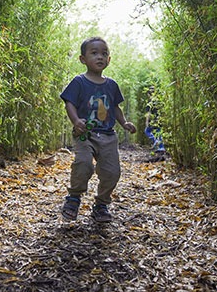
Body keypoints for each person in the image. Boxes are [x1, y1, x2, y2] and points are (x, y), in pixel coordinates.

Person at [60, 37, 136, 222]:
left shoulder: (111, 85)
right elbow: (69, 103)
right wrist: (76, 120)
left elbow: (115, 107)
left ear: (109, 60)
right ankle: (74, 198)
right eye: (94, 53)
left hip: (109, 136)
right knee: (83, 164)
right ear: (83, 59)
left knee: (112, 172)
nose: (100, 57)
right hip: (85, 134)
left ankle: (101, 204)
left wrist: (124, 123)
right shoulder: (79, 82)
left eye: (104, 53)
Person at [144, 86, 166, 155]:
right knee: (159, 132)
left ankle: (155, 141)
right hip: (159, 120)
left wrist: (147, 122)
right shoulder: (159, 101)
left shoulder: (150, 103)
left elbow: (149, 114)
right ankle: (161, 147)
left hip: (153, 121)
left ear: (149, 94)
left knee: (147, 131)